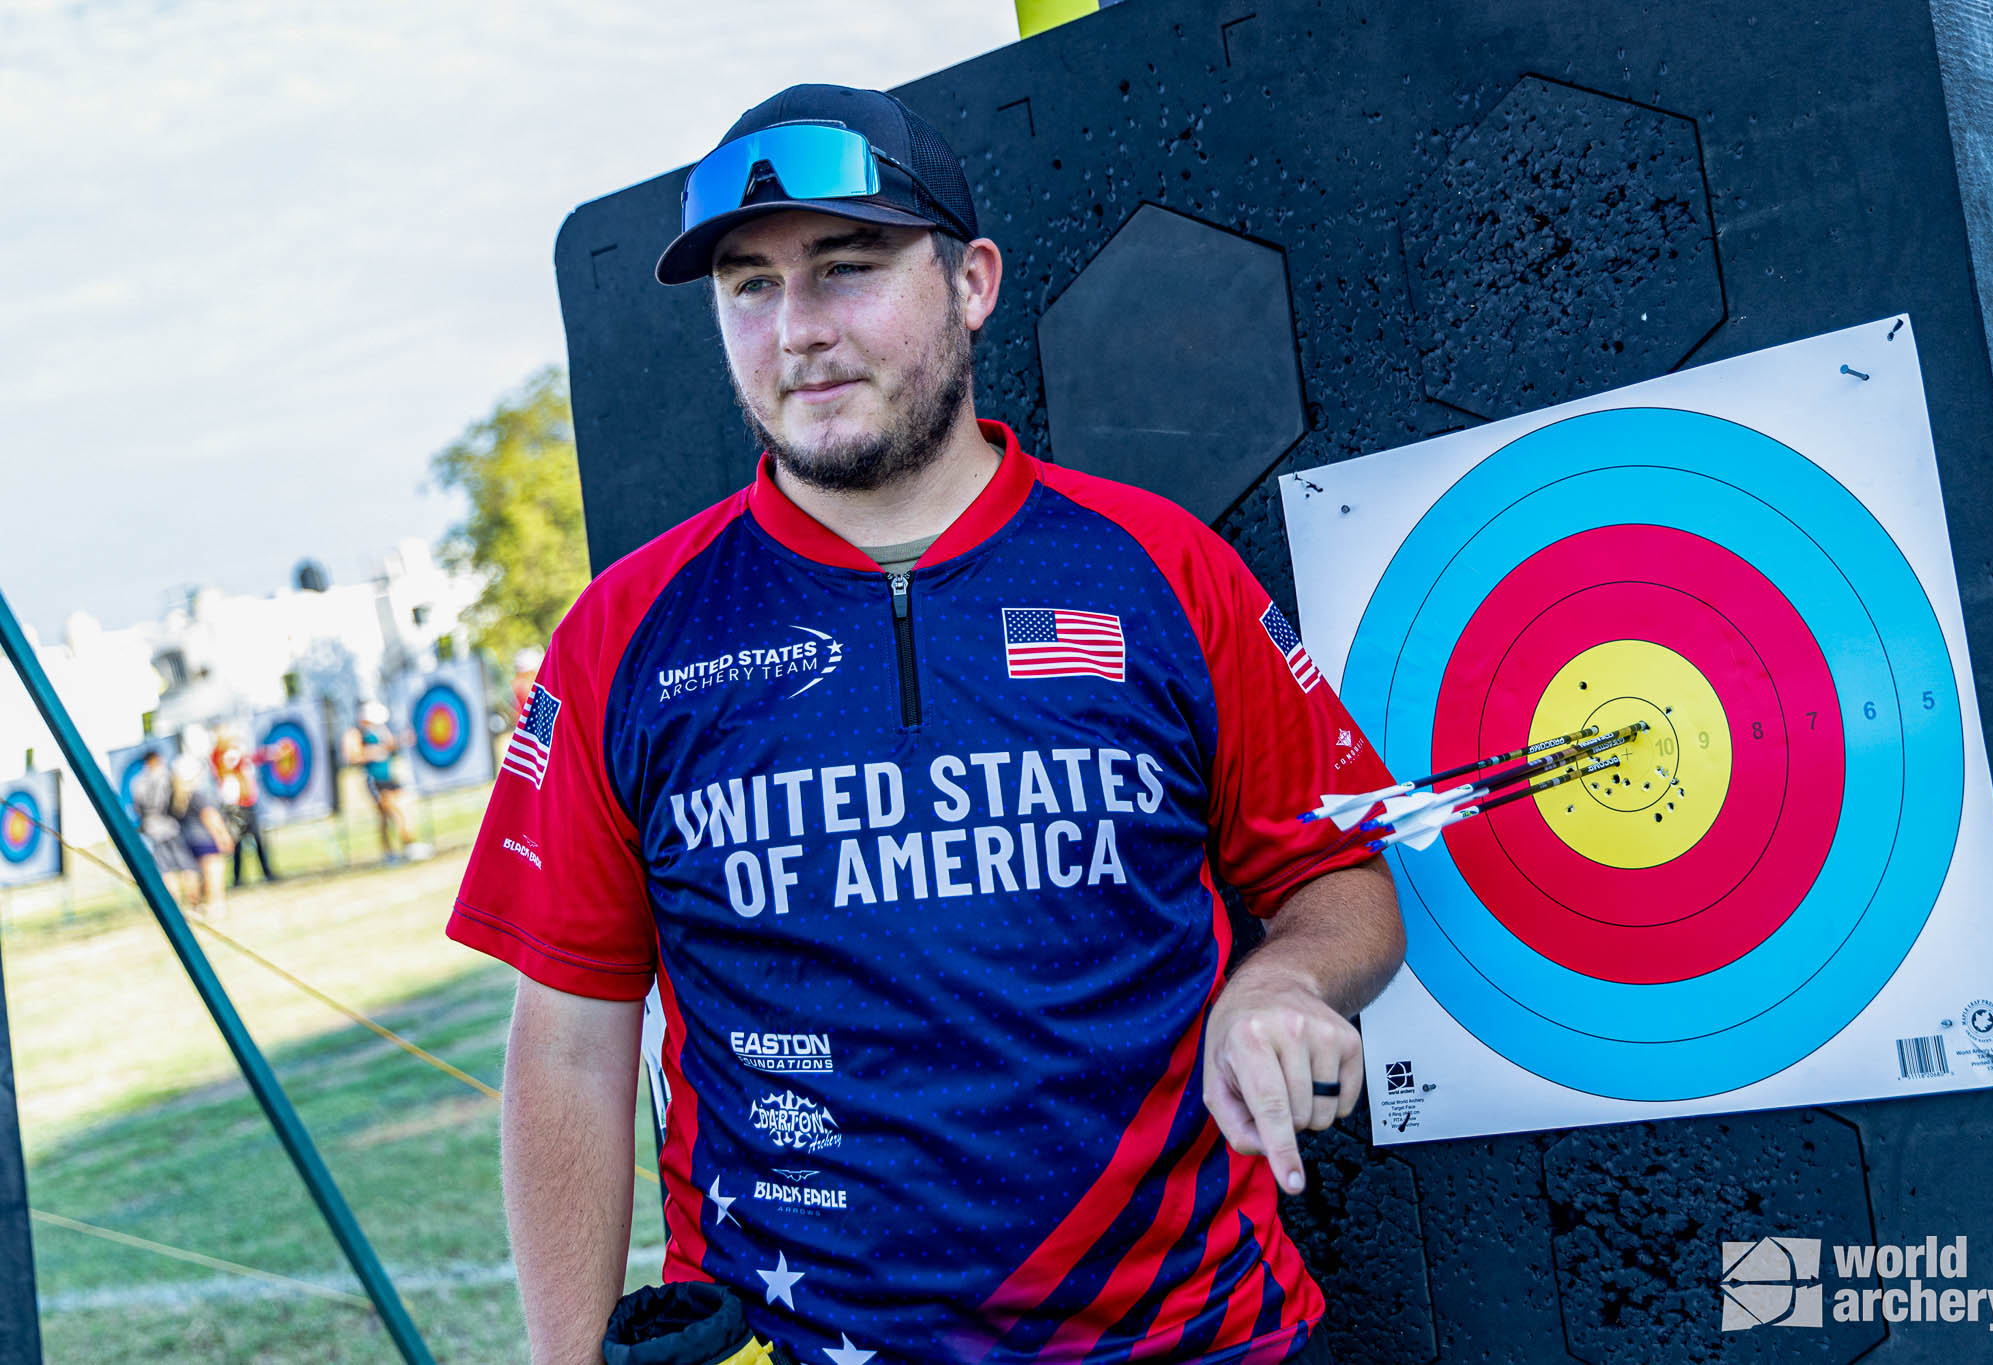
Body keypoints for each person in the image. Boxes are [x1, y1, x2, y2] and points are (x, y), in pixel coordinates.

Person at [447, 84, 1406, 1364]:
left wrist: (1281, 983)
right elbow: (568, 1041)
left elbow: (1341, 878)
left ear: (971, 282)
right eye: (748, 287)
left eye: (844, 269)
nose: (795, 331)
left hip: (1189, 1337)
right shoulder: (625, 635)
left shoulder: (1157, 570)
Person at [344, 701, 429, 864]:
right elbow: (353, 756)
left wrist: (401, 740)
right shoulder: (356, 733)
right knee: (388, 814)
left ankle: (408, 845)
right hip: (374, 779)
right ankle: (393, 851)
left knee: (403, 808)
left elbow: (389, 745)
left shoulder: (380, 728)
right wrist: (373, 752)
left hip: (389, 776)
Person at [212, 728, 279, 886]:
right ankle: (237, 878)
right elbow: (247, 758)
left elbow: (250, 758)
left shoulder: (231, 755)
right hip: (236, 807)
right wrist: (269, 753)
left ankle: (266, 872)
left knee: (257, 840)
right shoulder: (223, 756)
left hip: (246, 803)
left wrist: (270, 754)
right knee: (237, 843)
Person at [130, 747, 197, 904]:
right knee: (186, 866)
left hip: (152, 828)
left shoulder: (137, 782)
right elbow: (179, 801)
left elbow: (137, 808)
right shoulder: (167, 775)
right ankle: (194, 905)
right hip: (171, 825)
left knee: (166, 870)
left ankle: (176, 906)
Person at [171, 754, 232, 918]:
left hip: (188, 838)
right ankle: (216, 905)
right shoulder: (199, 792)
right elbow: (210, 816)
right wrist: (223, 835)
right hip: (205, 837)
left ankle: (195, 906)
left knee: (192, 874)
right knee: (214, 872)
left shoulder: (178, 794)